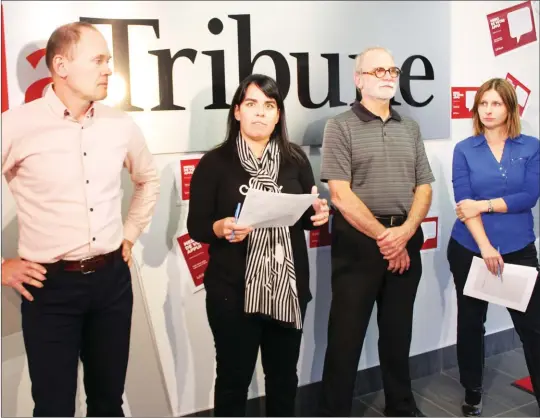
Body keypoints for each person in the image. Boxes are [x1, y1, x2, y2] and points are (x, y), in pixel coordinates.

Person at [1, 22, 160, 417]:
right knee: (53, 408)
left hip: (111, 283)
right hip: (50, 288)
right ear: (61, 65)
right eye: (99, 60)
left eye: (109, 60)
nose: (109, 70)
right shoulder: (16, 125)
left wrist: (129, 233)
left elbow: (148, 179)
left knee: (108, 402)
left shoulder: (119, 124)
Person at [187, 73, 330, 417]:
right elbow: (197, 226)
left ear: (278, 114)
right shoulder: (215, 162)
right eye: (251, 104)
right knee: (234, 380)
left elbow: (304, 215)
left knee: (283, 378)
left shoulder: (295, 159)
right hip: (232, 292)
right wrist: (220, 228)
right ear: (237, 111)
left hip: (288, 288)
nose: (260, 113)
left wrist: (318, 215)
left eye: (269, 105)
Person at [318, 46, 435, 417]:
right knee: (345, 338)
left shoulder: (410, 127)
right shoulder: (339, 126)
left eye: (392, 70)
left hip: (405, 236)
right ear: (359, 80)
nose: (387, 75)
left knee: (398, 334)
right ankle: (335, 411)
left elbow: (424, 187)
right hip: (358, 244)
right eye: (378, 70)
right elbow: (340, 194)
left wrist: (404, 233)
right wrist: (387, 239)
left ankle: (401, 405)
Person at [447, 78, 540, 416]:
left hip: (518, 248)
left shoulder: (530, 146)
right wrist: (485, 246)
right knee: (471, 323)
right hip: (470, 248)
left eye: (496, 104)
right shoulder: (465, 149)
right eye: (483, 104)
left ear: (510, 108)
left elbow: (528, 197)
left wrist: (484, 205)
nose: (488, 110)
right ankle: (472, 391)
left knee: (533, 327)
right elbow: (463, 202)